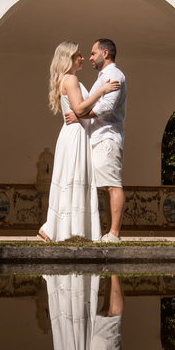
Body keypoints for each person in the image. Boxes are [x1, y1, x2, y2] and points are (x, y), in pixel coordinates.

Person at [38, 42, 120, 243]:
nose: (83, 58)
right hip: (75, 134)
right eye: (79, 55)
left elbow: (79, 111)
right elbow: (80, 109)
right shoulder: (71, 79)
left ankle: (64, 230)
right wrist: (102, 91)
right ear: (69, 58)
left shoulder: (67, 79)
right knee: (74, 177)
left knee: (73, 177)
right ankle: (58, 230)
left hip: (76, 132)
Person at [65, 38, 126, 243]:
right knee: (105, 187)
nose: (89, 58)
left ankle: (114, 233)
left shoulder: (114, 75)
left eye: (92, 53)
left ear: (105, 53)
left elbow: (106, 106)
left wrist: (81, 115)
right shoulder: (103, 77)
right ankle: (109, 232)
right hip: (98, 137)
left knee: (112, 185)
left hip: (107, 136)